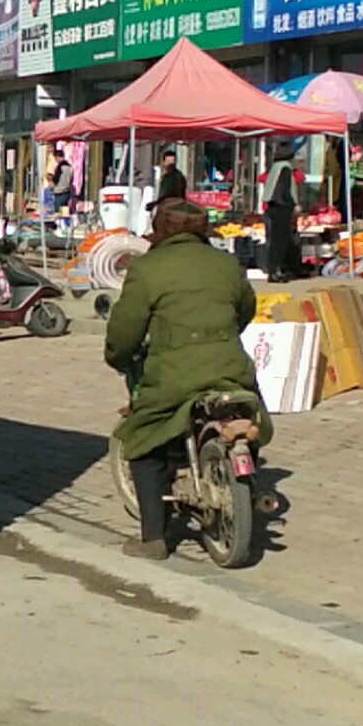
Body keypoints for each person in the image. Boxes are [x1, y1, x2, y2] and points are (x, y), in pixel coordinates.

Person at [105, 198, 272, 561]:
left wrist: (117, 356)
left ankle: (154, 538)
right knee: (247, 417)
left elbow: (126, 329)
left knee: (142, 436)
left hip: (174, 375)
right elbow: (245, 309)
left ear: (160, 230)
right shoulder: (226, 264)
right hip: (231, 367)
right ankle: (245, 479)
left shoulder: (148, 268)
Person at [263, 142, 301, 282]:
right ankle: (275, 271)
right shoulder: (285, 168)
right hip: (281, 207)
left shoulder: (275, 168)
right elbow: (284, 190)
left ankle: (274, 269)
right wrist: (293, 204)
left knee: (275, 239)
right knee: (280, 240)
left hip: (273, 206)